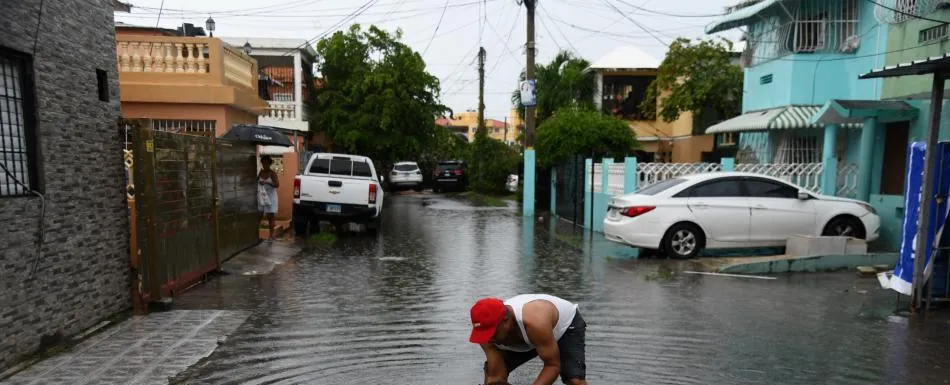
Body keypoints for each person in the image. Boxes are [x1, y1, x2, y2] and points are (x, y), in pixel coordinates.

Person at [469, 294, 587, 385]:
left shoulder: (535, 322)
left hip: (564, 327)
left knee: (574, 380)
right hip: (529, 335)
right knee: (492, 378)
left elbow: (552, 365)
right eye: (485, 334)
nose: (489, 338)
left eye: (493, 333)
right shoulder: (484, 333)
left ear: (506, 320)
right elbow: (496, 375)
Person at [258, 155, 280, 241]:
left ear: (269, 164)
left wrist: (267, 183)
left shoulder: (272, 173)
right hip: (261, 196)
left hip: (271, 197)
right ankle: (257, 235)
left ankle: (271, 235)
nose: (265, 165)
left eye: (266, 163)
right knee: (259, 215)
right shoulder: (260, 172)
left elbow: (277, 185)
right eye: (263, 163)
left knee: (270, 216)